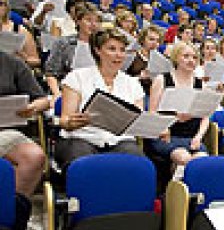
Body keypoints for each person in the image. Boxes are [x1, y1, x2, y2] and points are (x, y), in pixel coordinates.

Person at [55, 28, 144, 171]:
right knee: (83, 164)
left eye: (122, 50)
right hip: (82, 137)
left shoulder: (132, 83)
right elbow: (64, 120)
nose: (118, 55)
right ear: (97, 50)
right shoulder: (77, 77)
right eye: (112, 49)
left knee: (137, 165)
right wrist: (72, 122)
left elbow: (137, 119)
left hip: (119, 140)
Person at [0, 51, 50, 230]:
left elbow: (43, 100)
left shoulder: (12, 63)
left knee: (35, 156)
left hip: (5, 130)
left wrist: (32, 107)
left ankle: (14, 220)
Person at [148, 42, 208, 174]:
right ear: (176, 58)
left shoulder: (200, 84)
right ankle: (175, 190)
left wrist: (198, 137)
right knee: (183, 157)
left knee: (202, 160)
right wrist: (165, 126)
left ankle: (186, 191)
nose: (191, 60)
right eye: (186, 56)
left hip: (191, 137)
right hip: (166, 136)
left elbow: (205, 117)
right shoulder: (162, 79)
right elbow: (152, 113)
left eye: (194, 57)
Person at [45, 2, 100, 102]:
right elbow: (51, 74)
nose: (94, 25)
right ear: (78, 21)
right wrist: (57, 95)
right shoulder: (63, 43)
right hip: (68, 92)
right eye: (88, 20)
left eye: (97, 21)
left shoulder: (103, 46)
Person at [0, 0, 40, 67]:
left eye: (0, 4)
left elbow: (36, 60)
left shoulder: (20, 30)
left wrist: (25, 59)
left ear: (6, 7)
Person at [125, 24, 163, 104]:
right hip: (132, 94)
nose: (155, 43)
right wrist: (139, 77)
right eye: (151, 39)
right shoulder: (131, 55)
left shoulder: (161, 60)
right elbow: (119, 78)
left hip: (153, 94)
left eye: (157, 41)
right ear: (142, 39)